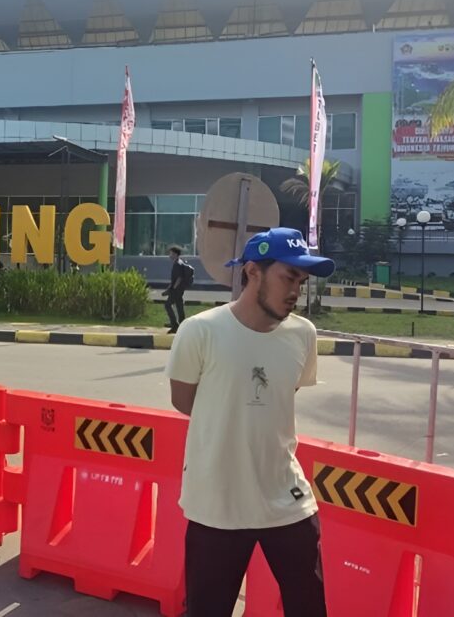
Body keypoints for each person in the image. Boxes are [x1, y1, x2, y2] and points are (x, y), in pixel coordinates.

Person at [165, 228, 334, 617]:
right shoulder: (200, 331)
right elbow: (185, 401)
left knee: (309, 608)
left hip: (287, 500)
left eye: (302, 282)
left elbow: (279, 399)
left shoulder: (303, 334)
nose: (296, 291)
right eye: (288, 278)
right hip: (217, 504)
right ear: (253, 271)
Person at [162, 245, 193, 333]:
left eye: (171, 253)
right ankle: (182, 325)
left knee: (168, 305)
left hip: (176, 290)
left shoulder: (177, 264)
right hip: (179, 289)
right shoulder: (179, 262)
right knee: (179, 306)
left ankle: (174, 325)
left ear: (175, 254)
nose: (170, 255)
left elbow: (179, 278)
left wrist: (173, 289)